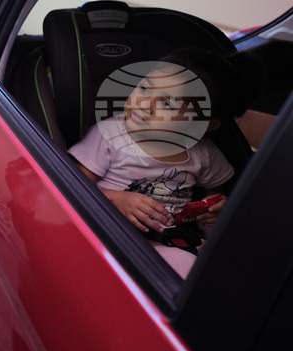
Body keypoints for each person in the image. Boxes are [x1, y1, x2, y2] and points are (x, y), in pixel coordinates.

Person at [69, 48, 263, 277]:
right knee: (186, 269)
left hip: (171, 238)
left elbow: (214, 193)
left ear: (203, 126)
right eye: (144, 88)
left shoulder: (204, 154)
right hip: (112, 231)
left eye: (167, 104)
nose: (144, 103)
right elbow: (72, 186)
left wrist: (214, 207)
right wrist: (117, 200)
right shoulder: (109, 135)